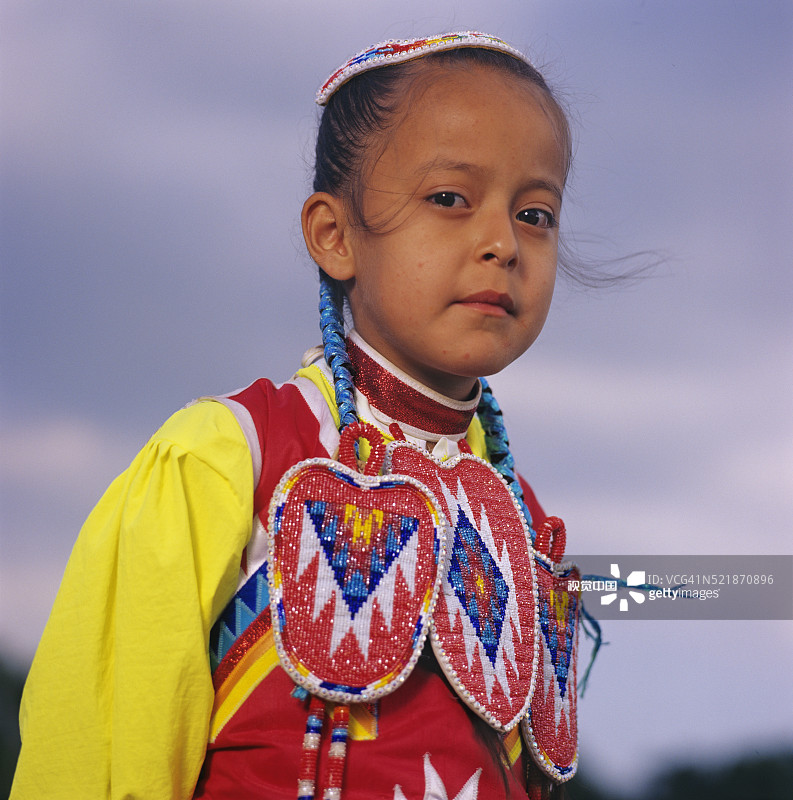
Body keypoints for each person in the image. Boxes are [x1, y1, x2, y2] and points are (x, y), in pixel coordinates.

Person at [12, 32, 582, 799]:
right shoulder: (226, 457)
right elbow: (101, 755)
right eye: (449, 199)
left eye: (536, 213)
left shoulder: (521, 519)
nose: (501, 243)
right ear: (334, 236)